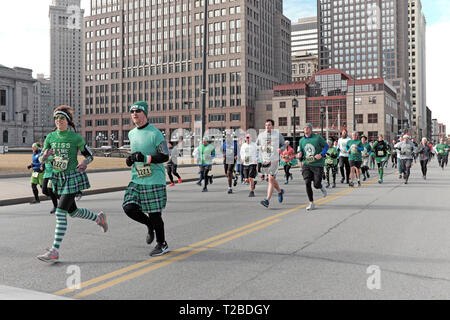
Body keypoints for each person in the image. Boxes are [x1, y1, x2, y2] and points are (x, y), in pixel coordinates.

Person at [37, 106, 107, 263]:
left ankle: (54, 251)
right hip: (57, 178)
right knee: (73, 212)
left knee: (60, 213)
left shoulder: (75, 138)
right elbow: (42, 158)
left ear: (67, 121)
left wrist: (84, 162)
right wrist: (45, 156)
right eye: (56, 119)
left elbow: (90, 155)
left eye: (61, 118)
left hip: (72, 177)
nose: (58, 121)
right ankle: (98, 219)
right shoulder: (50, 137)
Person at [122, 101, 170, 257]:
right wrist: (131, 159)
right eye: (132, 111)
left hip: (154, 178)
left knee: (155, 213)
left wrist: (146, 158)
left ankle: (162, 244)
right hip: (137, 178)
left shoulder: (155, 133)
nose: (134, 114)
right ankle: (149, 225)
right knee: (128, 207)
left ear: (145, 114)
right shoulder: (131, 133)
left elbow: (164, 155)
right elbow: (136, 153)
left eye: (138, 111)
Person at [297, 123, 328, 211]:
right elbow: (302, 151)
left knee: (316, 184)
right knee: (307, 182)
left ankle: (321, 186)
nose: (306, 129)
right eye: (304, 128)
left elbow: (326, 146)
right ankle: (311, 203)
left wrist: (321, 154)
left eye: (308, 128)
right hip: (307, 164)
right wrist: (300, 154)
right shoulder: (301, 140)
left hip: (317, 164)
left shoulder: (317, 138)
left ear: (311, 129)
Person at [258, 119, 286, 208]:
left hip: (274, 160)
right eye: (266, 125)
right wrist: (261, 147)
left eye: (269, 125)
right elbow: (255, 145)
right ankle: (279, 191)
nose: (267, 127)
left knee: (270, 179)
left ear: (273, 126)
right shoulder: (261, 135)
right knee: (272, 179)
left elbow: (284, 145)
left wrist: (281, 149)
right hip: (265, 160)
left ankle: (267, 200)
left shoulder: (278, 135)